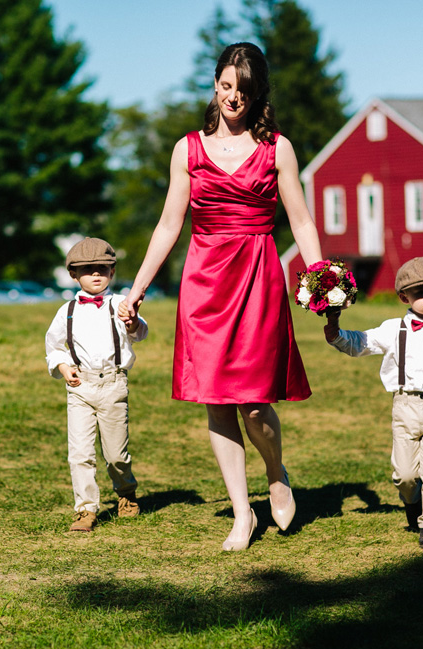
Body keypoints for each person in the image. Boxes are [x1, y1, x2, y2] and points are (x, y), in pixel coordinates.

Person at [118, 42, 325, 551]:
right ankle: (241, 514)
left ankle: (276, 472)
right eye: (227, 86)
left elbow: (299, 219)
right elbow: (170, 224)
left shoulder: (278, 148)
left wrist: (321, 279)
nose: (234, 98)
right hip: (204, 282)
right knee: (217, 402)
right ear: (215, 85)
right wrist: (138, 288)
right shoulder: (186, 149)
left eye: (245, 91)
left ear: (258, 97)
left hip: (258, 277)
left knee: (254, 405)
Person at [323, 257, 423, 548]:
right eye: (420, 293)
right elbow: (361, 343)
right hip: (404, 407)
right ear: (403, 297)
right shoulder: (392, 330)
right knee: (405, 475)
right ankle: (412, 503)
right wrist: (336, 333)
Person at [45, 237, 149, 533]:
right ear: (73, 275)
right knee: (80, 453)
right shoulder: (67, 310)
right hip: (80, 388)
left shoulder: (120, 304)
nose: (95, 275)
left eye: (102, 269)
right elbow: (53, 346)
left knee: (116, 455)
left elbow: (140, 334)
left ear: (112, 272)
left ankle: (126, 493)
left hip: (113, 386)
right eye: (87, 270)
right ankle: (85, 510)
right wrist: (63, 366)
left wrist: (132, 323)